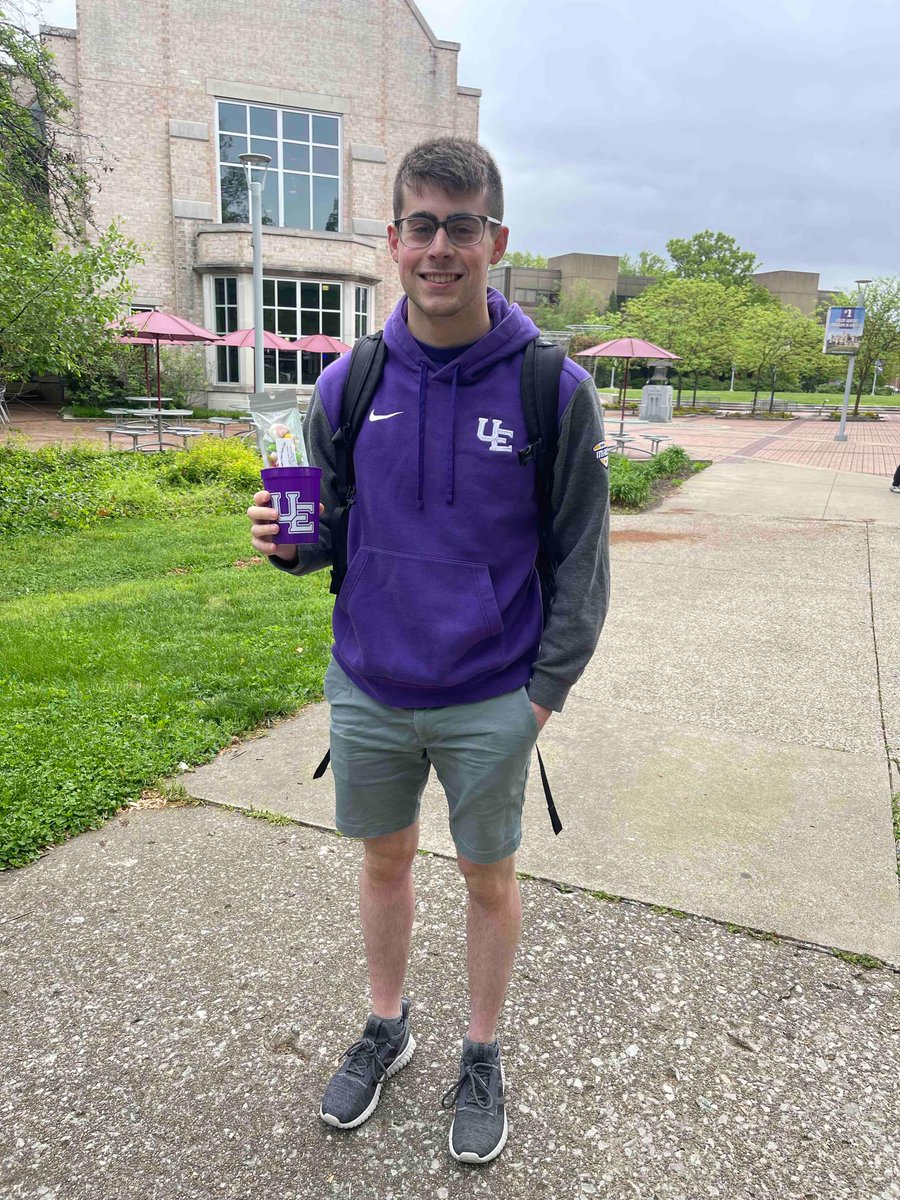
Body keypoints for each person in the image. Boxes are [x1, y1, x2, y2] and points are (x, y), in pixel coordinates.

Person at [247, 137, 610, 1164]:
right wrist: (284, 542)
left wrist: (541, 696)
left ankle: (482, 1050)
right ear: (392, 242)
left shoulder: (554, 389)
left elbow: (583, 561)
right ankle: (385, 1023)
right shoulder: (347, 384)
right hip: (368, 683)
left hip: (492, 692)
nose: (440, 246)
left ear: (495, 239)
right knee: (385, 863)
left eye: (461, 226)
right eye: (421, 225)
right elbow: (311, 535)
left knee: (488, 877)